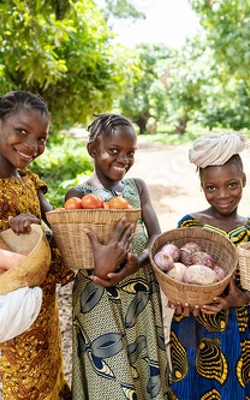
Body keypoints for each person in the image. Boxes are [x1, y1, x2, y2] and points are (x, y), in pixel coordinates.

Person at [0, 91, 133, 400]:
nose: (32, 145)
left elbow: (62, 232)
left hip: (43, 306)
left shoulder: (30, 182)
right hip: (10, 312)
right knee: (26, 387)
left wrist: (43, 230)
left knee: (51, 377)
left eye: (41, 138)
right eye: (22, 131)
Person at [65, 113, 171, 399]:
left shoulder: (137, 188)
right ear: (92, 149)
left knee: (142, 363)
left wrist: (139, 261)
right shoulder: (78, 195)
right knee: (110, 373)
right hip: (98, 295)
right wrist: (105, 271)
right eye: (114, 151)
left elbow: (156, 237)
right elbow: (78, 250)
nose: (123, 159)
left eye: (130, 153)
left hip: (140, 291)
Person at [168, 132, 250, 400]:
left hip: (235, 325)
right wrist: (178, 297)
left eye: (232, 184)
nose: (223, 195)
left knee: (232, 385)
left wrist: (241, 298)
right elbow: (174, 272)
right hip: (190, 325)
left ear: (244, 180)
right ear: (202, 187)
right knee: (189, 384)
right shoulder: (190, 225)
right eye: (212, 187)